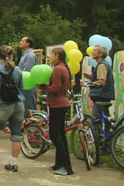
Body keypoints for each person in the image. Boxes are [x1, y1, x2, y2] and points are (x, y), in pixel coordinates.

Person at [0, 45, 24, 172]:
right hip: (18, 104)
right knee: (16, 134)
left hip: (3, 106)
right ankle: (13, 163)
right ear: (12, 56)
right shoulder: (17, 70)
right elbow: (21, 87)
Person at [43, 47, 73, 176]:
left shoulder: (57, 69)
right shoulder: (64, 68)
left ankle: (66, 167)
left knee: (56, 135)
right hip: (62, 103)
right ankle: (59, 163)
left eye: (52, 54)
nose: (50, 56)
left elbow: (55, 88)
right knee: (60, 134)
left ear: (58, 56)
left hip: (57, 104)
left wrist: (45, 86)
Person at [88, 45, 115, 121]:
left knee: (95, 119)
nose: (92, 52)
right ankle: (110, 131)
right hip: (104, 95)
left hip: (101, 95)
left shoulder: (101, 65)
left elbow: (101, 82)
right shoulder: (103, 64)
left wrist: (89, 84)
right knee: (106, 119)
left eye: (94, 51)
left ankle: (97, 132)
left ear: (101, 54)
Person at [17, 36, 37, 116]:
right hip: (24, 86)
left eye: (22, 41)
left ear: (28, 44)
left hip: (28, 86)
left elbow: (26, 72)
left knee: (29, 109)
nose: (20, 42)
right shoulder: (24, 55)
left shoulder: (30, 56)